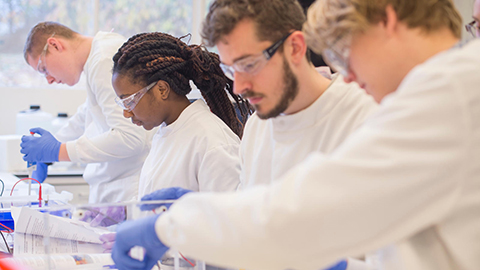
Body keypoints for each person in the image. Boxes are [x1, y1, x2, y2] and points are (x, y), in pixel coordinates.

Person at [111, 0, 480, 269]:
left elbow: (301, 210)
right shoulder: (258, 128)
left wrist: (172, 225)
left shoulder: (449, 89)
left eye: (347, 50)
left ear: (387, 19)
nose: (346, 73)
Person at [21, 22, 153, 203]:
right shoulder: (97, 58)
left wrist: (58, 151)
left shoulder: (104, 59)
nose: (49, 80)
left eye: (44, 69)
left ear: (55, 45)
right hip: (117, 188)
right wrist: (51, 147)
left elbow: (130, 137)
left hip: (127, 192)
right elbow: (88, 113)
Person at [109, 32, 250, 198]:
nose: (126, 113)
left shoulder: (212, 142)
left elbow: (227, 218)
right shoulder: (166, 131)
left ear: (162, 89)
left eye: (129, 101)